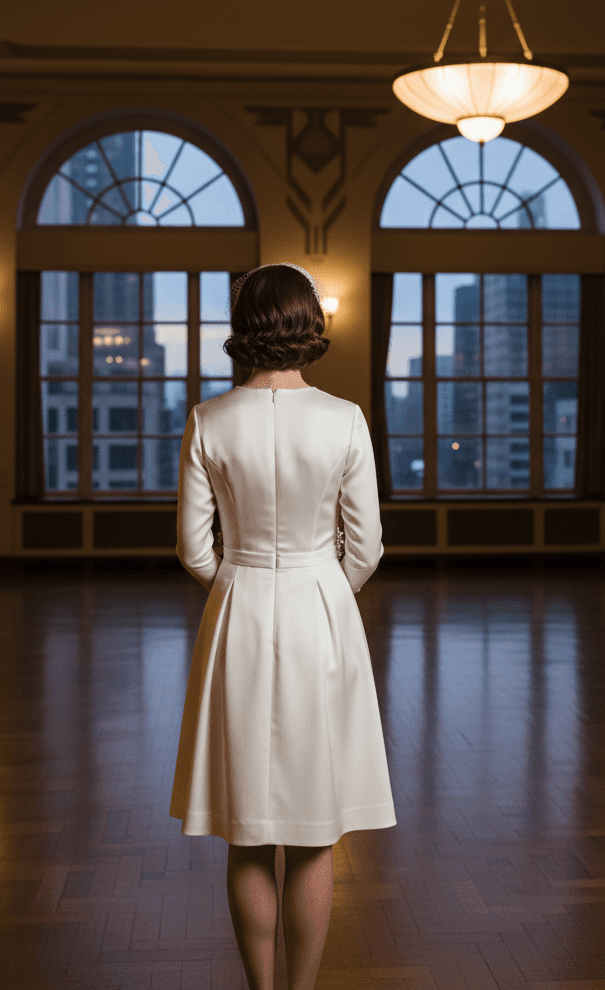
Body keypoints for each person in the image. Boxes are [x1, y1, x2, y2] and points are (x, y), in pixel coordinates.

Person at [171, 263, 396, 990]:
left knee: (246, 833)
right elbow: (366, 548)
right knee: (312, 835)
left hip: (237, 613)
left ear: (245, 329)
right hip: (320, 615)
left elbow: (192, 550)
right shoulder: (345, 418)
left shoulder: (209, 419)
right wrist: (324, 586)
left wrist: (241, 581)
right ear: (308, 325)